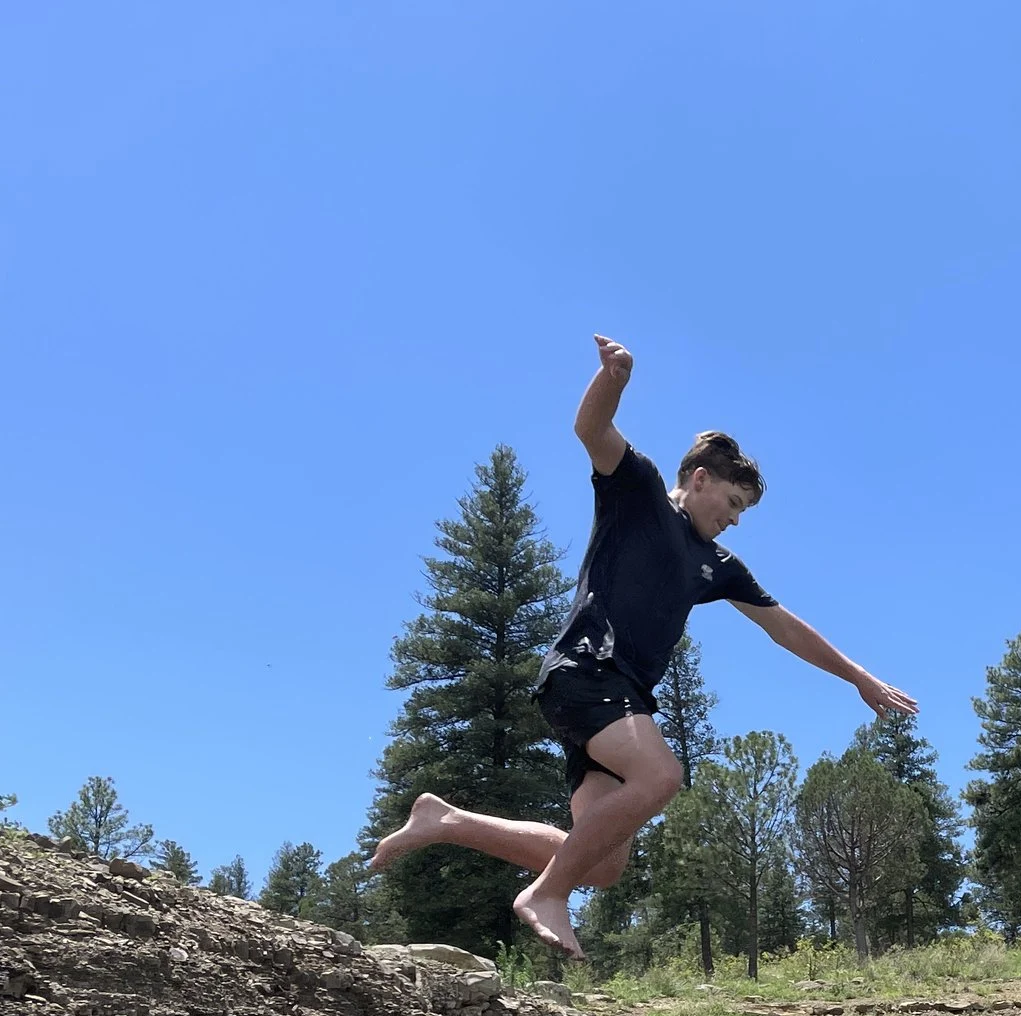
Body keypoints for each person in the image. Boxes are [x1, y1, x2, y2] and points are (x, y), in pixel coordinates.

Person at [372, 334, 918, 959]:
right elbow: (591, 427)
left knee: (602, 866)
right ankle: (544, 893)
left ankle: (447, 821)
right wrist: (615, 378)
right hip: (585, 670)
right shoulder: (639, 493)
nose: (735, 518)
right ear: (700, 478)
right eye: (733, 503)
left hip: (617, 699)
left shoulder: (717, 564)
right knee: (661, 775)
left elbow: (783, 625)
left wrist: (857, 677)